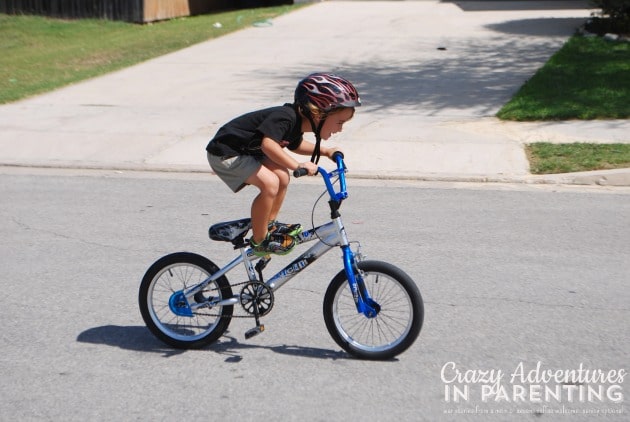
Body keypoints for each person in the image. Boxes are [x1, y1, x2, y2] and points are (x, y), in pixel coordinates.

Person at [206, 72, 361, 256]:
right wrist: (297, 166)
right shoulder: (285, 117)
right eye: (340, 122)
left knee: (282, 177)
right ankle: (259, 240)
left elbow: (295, 145)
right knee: (270, 183)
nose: (340, 128)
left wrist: (326, 151)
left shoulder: (296, 124)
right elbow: (269, 144)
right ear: (318, 113)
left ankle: (268, 226)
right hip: (225, 152)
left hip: (246, 151)